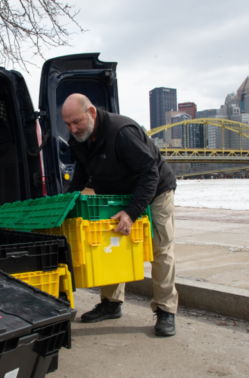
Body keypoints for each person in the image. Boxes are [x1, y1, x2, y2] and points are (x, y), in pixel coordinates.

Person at [62, 93, 178, 337]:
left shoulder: (122, 132)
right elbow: (82, 172)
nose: (72, 129)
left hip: (156, 190)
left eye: (77, 122)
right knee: (110, 246)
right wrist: (65, 202)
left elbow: (150, 173)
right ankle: (111, 304)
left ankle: (166, 310)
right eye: (68, 124)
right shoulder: (78, 138)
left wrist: (131, 213)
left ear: (91, 113)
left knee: (160, 249)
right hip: (117, 194)